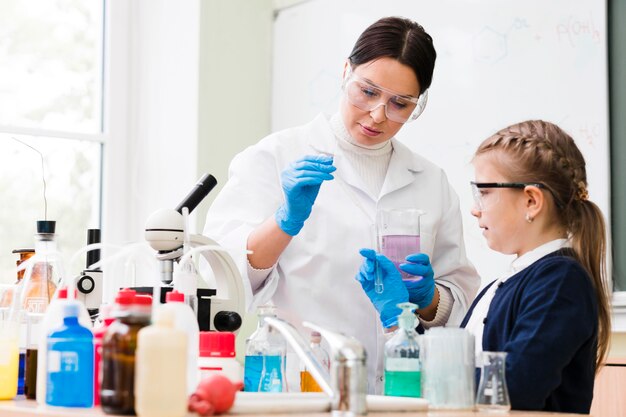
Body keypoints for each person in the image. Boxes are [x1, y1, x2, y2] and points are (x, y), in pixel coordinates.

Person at [203, 16, 479, 393]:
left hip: (403, 392)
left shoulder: (431, 182)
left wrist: (430, 299)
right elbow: (224, 280)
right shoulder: (275, 157)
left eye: (400, 103)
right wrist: (285, 221)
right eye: (367, 92)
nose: (379, 114)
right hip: (303, 388)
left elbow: (461, 302)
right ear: (345, 71)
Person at [462, 120, 610, 413]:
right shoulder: (504, 284)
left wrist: (438, 373)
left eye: (485, 192)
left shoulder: (561, 281)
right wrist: (403, 318)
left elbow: (516, 387)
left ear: (531, 200)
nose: (475, 208)